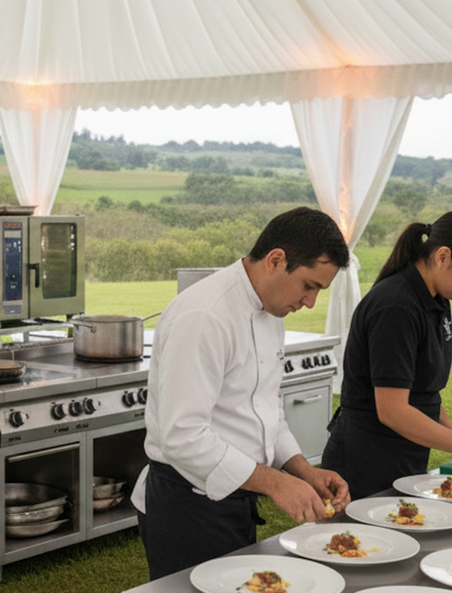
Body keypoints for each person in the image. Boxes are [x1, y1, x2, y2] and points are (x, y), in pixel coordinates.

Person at [131, 207, 352, 580]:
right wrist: (278, 484)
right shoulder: (206, 315)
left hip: (238, 495)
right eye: (309, 285)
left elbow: (265, 410)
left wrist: (301, 472)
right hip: (189, 506)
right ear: (276, 260)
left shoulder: (271, 311)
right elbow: (182, 436)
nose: (310, 302)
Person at [322, 210, 452, 499]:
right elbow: (393, 410)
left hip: (405, 454)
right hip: (366, 460)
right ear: (442, 256)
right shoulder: (397, 306)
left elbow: (423, 393)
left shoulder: (435, 298)